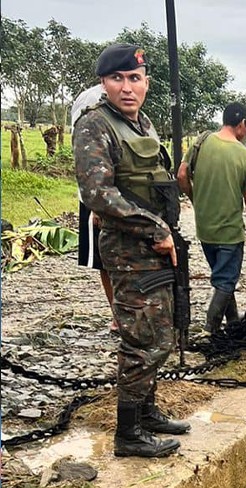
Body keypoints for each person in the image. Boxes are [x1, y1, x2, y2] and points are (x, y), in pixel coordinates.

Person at [73, 43, 189, 458]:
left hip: (154, 246)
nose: (127, 87)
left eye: (134, 78)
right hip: (129, 250)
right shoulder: (95, 125)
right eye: (117, 79)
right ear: (104, 83)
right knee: (142, 339)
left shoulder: (142, 123)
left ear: (146, 83)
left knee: (162, 330)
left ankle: (147, 412)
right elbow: (97, 194)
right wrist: (154, 227)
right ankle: (128, 433)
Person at [177, 102, 246, 333]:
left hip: (204, 228)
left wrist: (195, 198)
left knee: (223, 274)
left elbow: (182, 174)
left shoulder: (202, 141)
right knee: (226, 280)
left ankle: (232, 322)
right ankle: (210, 328)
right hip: (229, 231)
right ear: (242, 124)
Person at [72, 83, 117, 335]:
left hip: (124, 195)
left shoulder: (128, 99)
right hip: (97, 196)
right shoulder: (89, 100)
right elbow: (83, 155)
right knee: (104, 260)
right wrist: (94, 205)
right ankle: (117, 315)